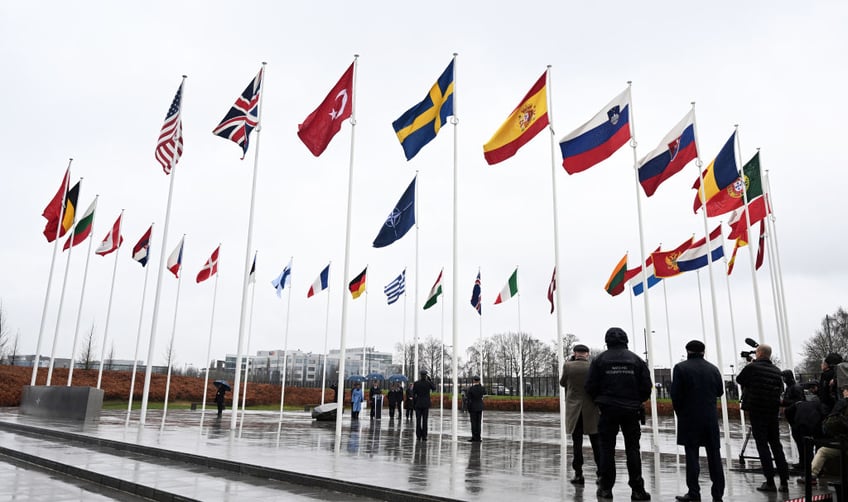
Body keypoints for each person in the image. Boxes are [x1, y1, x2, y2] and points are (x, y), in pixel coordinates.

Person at [584, 327, 652, 500]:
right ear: (625, 340)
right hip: (631, 410)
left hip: (608, 410)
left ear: (607, 341)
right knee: (633, 449)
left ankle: (606, 488)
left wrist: (600, 400)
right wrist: (636, 401)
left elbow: (590, 386)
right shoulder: (636, 360)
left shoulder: (599, 360)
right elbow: (646, 387)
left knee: (606, 449)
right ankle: (637, 489)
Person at [670, 340, 725, 502]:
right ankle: (718, 494)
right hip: (709, 417)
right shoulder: (713, 369)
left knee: (692, 455)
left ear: (687, 350)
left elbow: (675, 394)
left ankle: (694, 492)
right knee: (714, 455)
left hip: (689, 417)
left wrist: (681, 412)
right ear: (703, 351)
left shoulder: (681, 368)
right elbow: (720, 392)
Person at [736, 343, 790, 493]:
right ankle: (784, 481)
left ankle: (770, 481)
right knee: (776, 444)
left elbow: (740, 380)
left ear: (759, 353)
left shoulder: (752, 368)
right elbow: (780, 389)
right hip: (772, 411)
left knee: (763, 446)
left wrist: (752, 365)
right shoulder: (777, 370)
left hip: (757, 410)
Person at [559, 343, 600, 485]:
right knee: (596, 442)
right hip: (591, 409)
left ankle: (578, 474)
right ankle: (600, 473)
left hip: (574, 410)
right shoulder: (593, 367)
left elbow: (562, 382)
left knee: (577, 443)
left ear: (575, 353)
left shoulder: (568, 366)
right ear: (587, 354)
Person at [780, 369, 806, 468]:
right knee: (798, 440)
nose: (783, 379)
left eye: (783, 377)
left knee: (800, 440)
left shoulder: (795, 387)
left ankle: (803, 463)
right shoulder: (790, 387)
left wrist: (784, 402)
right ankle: (802, 461)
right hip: (792, 417)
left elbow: (799, 401)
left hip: (797, 417)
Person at [413, 369, 436, 441]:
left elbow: (414, 394)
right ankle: (424, 436)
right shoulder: (428, 383)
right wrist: (430, 380)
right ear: (425, 376)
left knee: (418, 420)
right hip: (426, 404)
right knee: (425, 420)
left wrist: (414, 404)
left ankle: (418, 435)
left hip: (418, 404)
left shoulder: (416, 383)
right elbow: (434, 388)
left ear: (420, 375)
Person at [465, 376, 485, 442]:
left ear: (474, 381)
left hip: (473, 407)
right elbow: (484, 394)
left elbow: (468, 399)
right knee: (478, 423)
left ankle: (474, 437)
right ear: (479, 381)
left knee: (473, 423)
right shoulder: (482, 388)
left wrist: (468, 408)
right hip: (480, 407)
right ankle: (478, 437)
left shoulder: (471, 389)